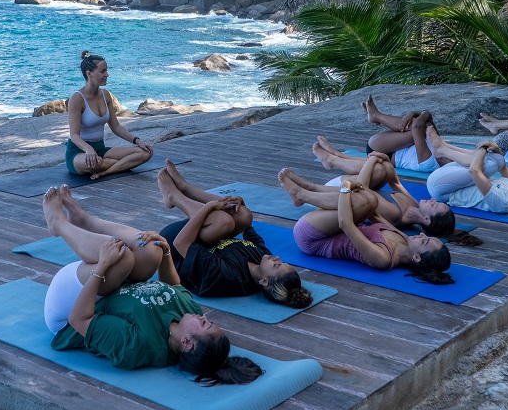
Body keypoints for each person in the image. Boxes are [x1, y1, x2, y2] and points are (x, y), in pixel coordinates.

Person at [41, 185, 262, 385]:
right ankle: (85, 221)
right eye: (209, 321)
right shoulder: (189, 315)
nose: (204, 317)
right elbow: (173, 286)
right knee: (152, 248)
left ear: (186, 343)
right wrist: (166, 253)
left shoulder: (137, 345)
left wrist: (102, 266)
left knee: (122, 258)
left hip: (71, 307)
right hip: (112, 288)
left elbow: (79, 319)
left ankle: (58, 224)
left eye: (205, 325)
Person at [156, 162, 313, 308]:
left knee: (223, 222)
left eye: (277, 265)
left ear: (264, 281)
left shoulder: (227, 277)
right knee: (244, 215)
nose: (277, 258)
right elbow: (249, 229)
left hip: (176, 244)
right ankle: (186, 188)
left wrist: (208, 207)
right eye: (282, 261)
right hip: (204, 239)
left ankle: (173, 196)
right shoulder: (262, 261)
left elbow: (181, 244)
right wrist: (239, 203)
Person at [282, 173, 455, 285]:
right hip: (330, 227)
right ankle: (308, 190)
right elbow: (374, 215)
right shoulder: (404, 240)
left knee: (361, 200)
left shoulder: (384, 258)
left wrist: (346, 187)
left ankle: (302, 195)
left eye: (424, 241)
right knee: (369, 200)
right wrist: (361, 188)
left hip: (312, 237)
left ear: (416, 257)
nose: (421, 234)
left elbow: (345, 224)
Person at [287, 149, 458, 238]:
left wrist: (373, 158)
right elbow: (396, 183)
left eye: (434, 205)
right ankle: (335, 157)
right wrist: (385, 161)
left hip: (341, 190)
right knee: (385, 168)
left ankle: (310, 187)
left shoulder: (396, 214)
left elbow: (361, 188)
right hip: (346, 189)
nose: (431, 199)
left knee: (376, 168)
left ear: (427, 219)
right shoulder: (414, 206)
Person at [66, 51, 153, 179]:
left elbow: (116, 126)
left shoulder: (106, 95)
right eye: (102, 71)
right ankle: (118, 165)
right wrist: (88, 149)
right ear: (89, 73)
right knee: (94, 163)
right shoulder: (77, 98)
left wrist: (137, 141)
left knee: (146, 153)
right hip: (79, 153)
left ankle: (106, 171)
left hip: (101, 150)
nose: (107, 74)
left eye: (106, 70)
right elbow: (74, 135)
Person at [314, 104, 443, 178]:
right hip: (395, 145)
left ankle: (376, 116)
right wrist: (418, 115)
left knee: (423, 127)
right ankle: (337, 154)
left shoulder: (429, 162)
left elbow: (418, 126)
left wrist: (413, 113)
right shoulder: (441, 147)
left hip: (383, 150)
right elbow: (425, 122)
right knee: (425, 127)